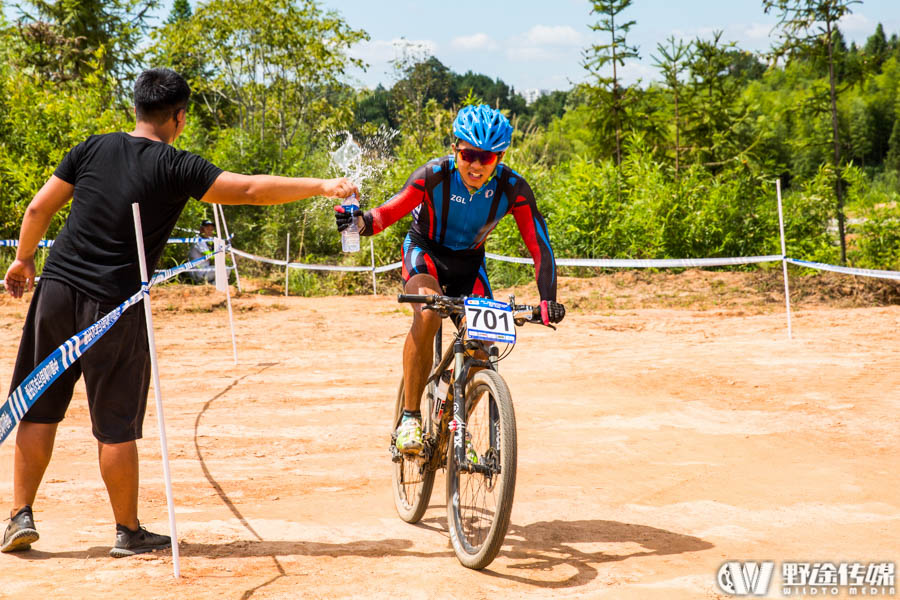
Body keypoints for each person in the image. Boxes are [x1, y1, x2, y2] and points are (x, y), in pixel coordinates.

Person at [2, 68, 357, 557]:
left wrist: (23, 259)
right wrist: (320, 186)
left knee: (38, 405)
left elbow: (38, 210)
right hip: (115, 305)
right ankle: (127, 531)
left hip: (57, 290)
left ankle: (19, 515)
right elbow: (249, 190)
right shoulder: (176, 165)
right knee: (115, 423)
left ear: (136, 108)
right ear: (180, 118)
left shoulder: (91, 148)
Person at [335, 104, 565, 455]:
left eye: (486, 157)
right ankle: (410, 417)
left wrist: (547, 299)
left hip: (469, 265)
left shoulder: (513, 188)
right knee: (428, 315)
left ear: (500, 158)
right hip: (425, 252)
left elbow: (540, 247)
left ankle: (455, 424)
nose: (476, 165)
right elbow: (384, 216)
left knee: (483, 345)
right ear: (456, 149)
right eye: (469, 154)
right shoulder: (434, 175)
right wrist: (357, 222)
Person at [188, 219, 216, 284]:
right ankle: (212, 287)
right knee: (225, 270)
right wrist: (220, 251)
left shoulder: (209, 239)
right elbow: (209, 256)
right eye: (207, 229)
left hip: (205, 269)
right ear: (202, 229)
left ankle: (212, 286)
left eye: (211, 229)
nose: (210, 231)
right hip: (198, 271)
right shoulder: (198, 239)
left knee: (225, 269)